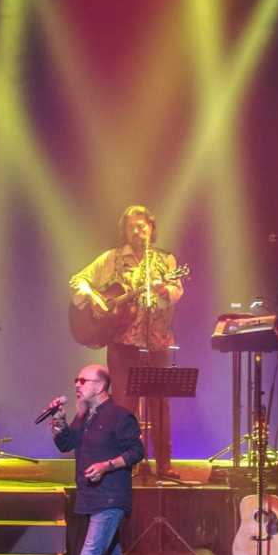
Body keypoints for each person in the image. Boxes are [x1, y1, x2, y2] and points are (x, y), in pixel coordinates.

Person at [69, 205, 184, 478]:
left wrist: (162, 289)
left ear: (152, 228)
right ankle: (123, 464)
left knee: (160, 405)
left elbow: (176, 291)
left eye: (142, 225)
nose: (137, 230)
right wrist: (97, 300)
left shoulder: (165, 261)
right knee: (123, 405)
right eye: (132, 226)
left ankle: (164, 465)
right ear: (125, 231)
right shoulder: (112, 258)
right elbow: (78, 280)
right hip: (122, 344)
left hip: (157, 342)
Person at [51, 363, 146, 555]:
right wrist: (58, 419)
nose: (77, 385)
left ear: (100, 386)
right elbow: (65, 444)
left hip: (111, 498)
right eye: (76, 379)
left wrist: (107, 465)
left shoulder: (120, 416)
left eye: (83, 380)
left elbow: (136, 451)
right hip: (92, 497)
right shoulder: (85, 417)